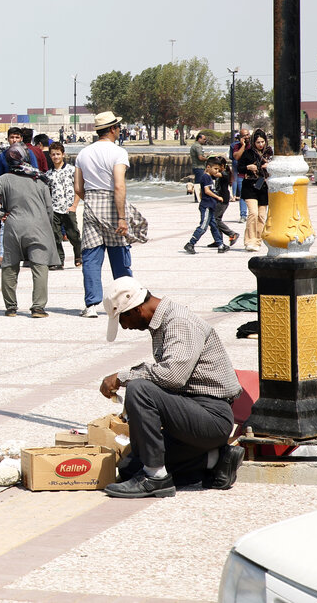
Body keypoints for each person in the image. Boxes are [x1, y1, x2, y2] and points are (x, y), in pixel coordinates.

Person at [99, 277, 243, 498]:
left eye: (122, 320)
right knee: (129, 467)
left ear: (136, 311)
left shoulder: (179, 323)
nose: (125, 327)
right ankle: (214, 459)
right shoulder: (164, 321)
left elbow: (173, 376)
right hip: (190, 415)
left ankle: (155, 477)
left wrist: (122, 377)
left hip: (210, 416)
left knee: (139, 388)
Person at [73, 111, 132, 318]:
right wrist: (122, 217)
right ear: (113, 129)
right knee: (119, 255)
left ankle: (91, 305)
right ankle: (127, 302)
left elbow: (78, 187)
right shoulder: (118, 152)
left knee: (91, 256)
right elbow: (119, 186)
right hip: (112, 205)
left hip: (91, 204)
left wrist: (90, 198)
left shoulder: (83, 154)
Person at [0, 144, 54, 318]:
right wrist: (48, 226)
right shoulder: (39, 179)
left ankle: (11, 308)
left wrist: (1, 214)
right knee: (39, 268)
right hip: (39, 227)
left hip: (14, 225)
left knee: (9, 266)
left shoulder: (5, 178)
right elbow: (49, 209)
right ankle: (38, 308)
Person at [46, 141, 81, 269]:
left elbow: (78, 189)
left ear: (63, 155)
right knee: (55, 236)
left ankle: (78, 256)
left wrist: (74, 206)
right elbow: (47, 192)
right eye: (53, 154)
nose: (56, 157)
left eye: (58, 154)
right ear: (50, 156)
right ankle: (59, 261)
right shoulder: (48, 174)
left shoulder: (72, 170)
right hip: (54, 209)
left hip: (68, 208)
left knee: (74, 235)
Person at [236, 129, 273, 251]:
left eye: (262, 142)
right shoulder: (248, 153)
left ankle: (257, 241)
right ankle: (249, 241)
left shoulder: (270, 154)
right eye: (258, 142)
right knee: (253, 213)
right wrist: (248, 167)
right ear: (253, 142)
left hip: (263, 187)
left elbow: (279, 168)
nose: (261, 144)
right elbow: (239, 168)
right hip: (250, 187)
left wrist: (270, 166)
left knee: (262, 216)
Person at [184, 160, 227, 254]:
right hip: (206, 206)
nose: (217, 171)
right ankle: (190, 244)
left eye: (218, 169)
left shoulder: (209, 177)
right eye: (215, 169)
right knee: (203, 226)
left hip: (211, 205)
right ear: (208, 167)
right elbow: (207, 191)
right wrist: (217, 197)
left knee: (214, 226)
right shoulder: (206, 177)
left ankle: (220, 245)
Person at [208, 156, 240, 248]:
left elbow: (215, 174)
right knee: (215, 219)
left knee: (215, 219)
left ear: (222, 166)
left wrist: (208, 169)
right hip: (218, 198)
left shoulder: (225, 173)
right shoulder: (221, 172)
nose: (216, 169)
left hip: (223, 199)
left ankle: (232, 234)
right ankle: (218, 240)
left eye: (217, 166)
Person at [189, 132, 209, 201]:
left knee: (198, 182)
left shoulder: (194, 145)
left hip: (196, 167)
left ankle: (197, 197)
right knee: (199, 183)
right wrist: (208, 159)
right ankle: (198, 198)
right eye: (204, 139)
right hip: (199, 167)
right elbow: (200, 157)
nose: (205, 141)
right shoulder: (198, 146)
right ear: (199, 139)